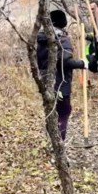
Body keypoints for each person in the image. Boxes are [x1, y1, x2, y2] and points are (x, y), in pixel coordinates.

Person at [36, 10, 86, 141]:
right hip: (60, 83)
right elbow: (65, 62)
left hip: (45, 82)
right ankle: (59, 145)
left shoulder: (40, 38)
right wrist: (82, 64)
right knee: (63, 113)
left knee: (51, 113)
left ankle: (51, 142)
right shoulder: (61, 40)